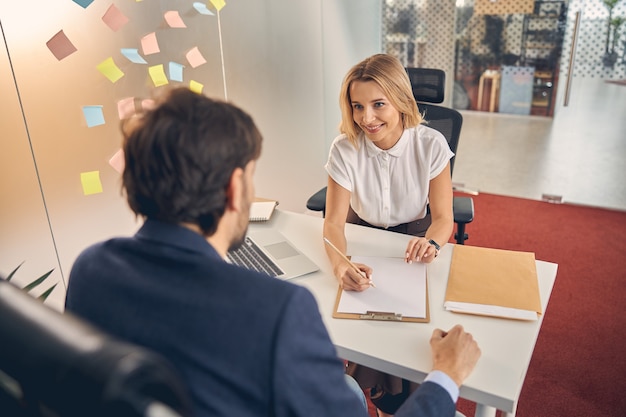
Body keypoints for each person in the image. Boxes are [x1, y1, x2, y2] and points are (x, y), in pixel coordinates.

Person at [65, 87, 480, 417]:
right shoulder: (277, 311)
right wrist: (445, 376)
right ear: (234, 188)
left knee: (352, 388)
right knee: (351, 394)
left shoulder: (91, 269)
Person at [323, 53, 455, 416]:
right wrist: (340, 265)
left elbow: (444, 218)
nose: (366, 118)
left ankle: (405, 403)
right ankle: (385, 401)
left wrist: (431, 242)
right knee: (370, 333)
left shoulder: (430, 145)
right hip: (363, 239)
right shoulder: (344, 148)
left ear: (400, 100)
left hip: (415, 242)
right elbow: (334, 223)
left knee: (410, 337)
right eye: (357, 106)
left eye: (378, 104)